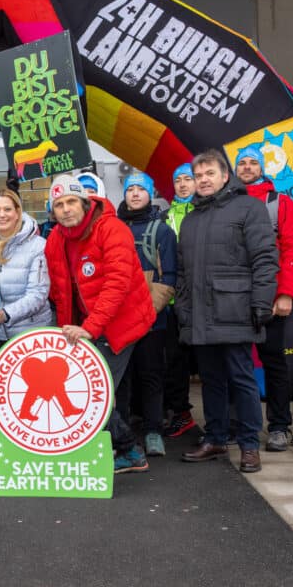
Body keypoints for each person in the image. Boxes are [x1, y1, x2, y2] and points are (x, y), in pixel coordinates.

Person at [44, 175, 155, 474]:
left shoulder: (111, 228)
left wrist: (90, 328)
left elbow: (117, 285)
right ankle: (120, 446)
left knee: (94, 390)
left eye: (71, 202)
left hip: (122, 322)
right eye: (59, 205)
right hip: (86, 324)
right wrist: (67, 330)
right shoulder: (55, 238)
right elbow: (59, 290)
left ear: (84, 202)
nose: (66, 210)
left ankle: (128, 450)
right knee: (89, 388)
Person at [175, 149, 278, 473]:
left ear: (224, 176)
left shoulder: (249, 207)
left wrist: (262, 302)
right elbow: (182, 271)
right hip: (201, 317)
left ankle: (249, 445)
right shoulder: (191, 218)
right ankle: (216, 438)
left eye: (209, 174)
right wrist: (184, 309)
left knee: (242, 379)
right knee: (211, 380)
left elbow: (264, 258)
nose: (203, 180)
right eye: (198, 175)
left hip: (235, 310)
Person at [234, 146, 293, 452]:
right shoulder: (227, 203)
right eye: (242, 163)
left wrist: (286, 293)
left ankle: (279, 426)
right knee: (235, 364)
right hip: (233, 299)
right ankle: (240, 424)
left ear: (262, 168)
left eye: (253, 163)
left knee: (274, 361)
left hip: (270, 297)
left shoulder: (280, 203)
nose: (248, 167)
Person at [116, 172, 177, 458]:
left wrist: (145, 314)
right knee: (122, 379)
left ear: (150, 194)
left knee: (151, 375)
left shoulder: (162, 230)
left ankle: (154, 431)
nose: (136, 193)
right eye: (131, 189)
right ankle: (123, 434)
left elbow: (169, 278)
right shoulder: (113, 228)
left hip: (152, 321)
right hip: (118, 321)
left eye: (141, 189)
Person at [0, 189, 51, 345]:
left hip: (29, 333)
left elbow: (38, 294)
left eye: (7, 209)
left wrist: (6, 314)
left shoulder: (38, 245)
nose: (2, 214)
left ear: (18, 212)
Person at [163, 163, 198, 437]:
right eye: (179, 180)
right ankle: (181, 413)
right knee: (175, 362)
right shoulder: (164, 216)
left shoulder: (205, 211)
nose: (183, 184)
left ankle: (220, 421)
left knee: (208, 363)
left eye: (188, 179)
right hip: (173, 300)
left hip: (202, 300)